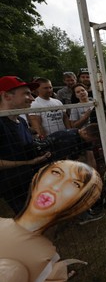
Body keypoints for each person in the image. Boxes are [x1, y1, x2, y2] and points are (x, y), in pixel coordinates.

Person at [0, 160, 102, 282]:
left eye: (75, 184)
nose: (56, 186)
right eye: (56, 173)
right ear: (37, 177)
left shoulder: (51, 270)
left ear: (82, 204)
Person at [0, 76, 51, 214]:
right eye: (26, 93)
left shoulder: (21, 122)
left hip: (32, 181)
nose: (32, 98)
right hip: (13, 187)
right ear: (6, 96)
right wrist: (29, 162)